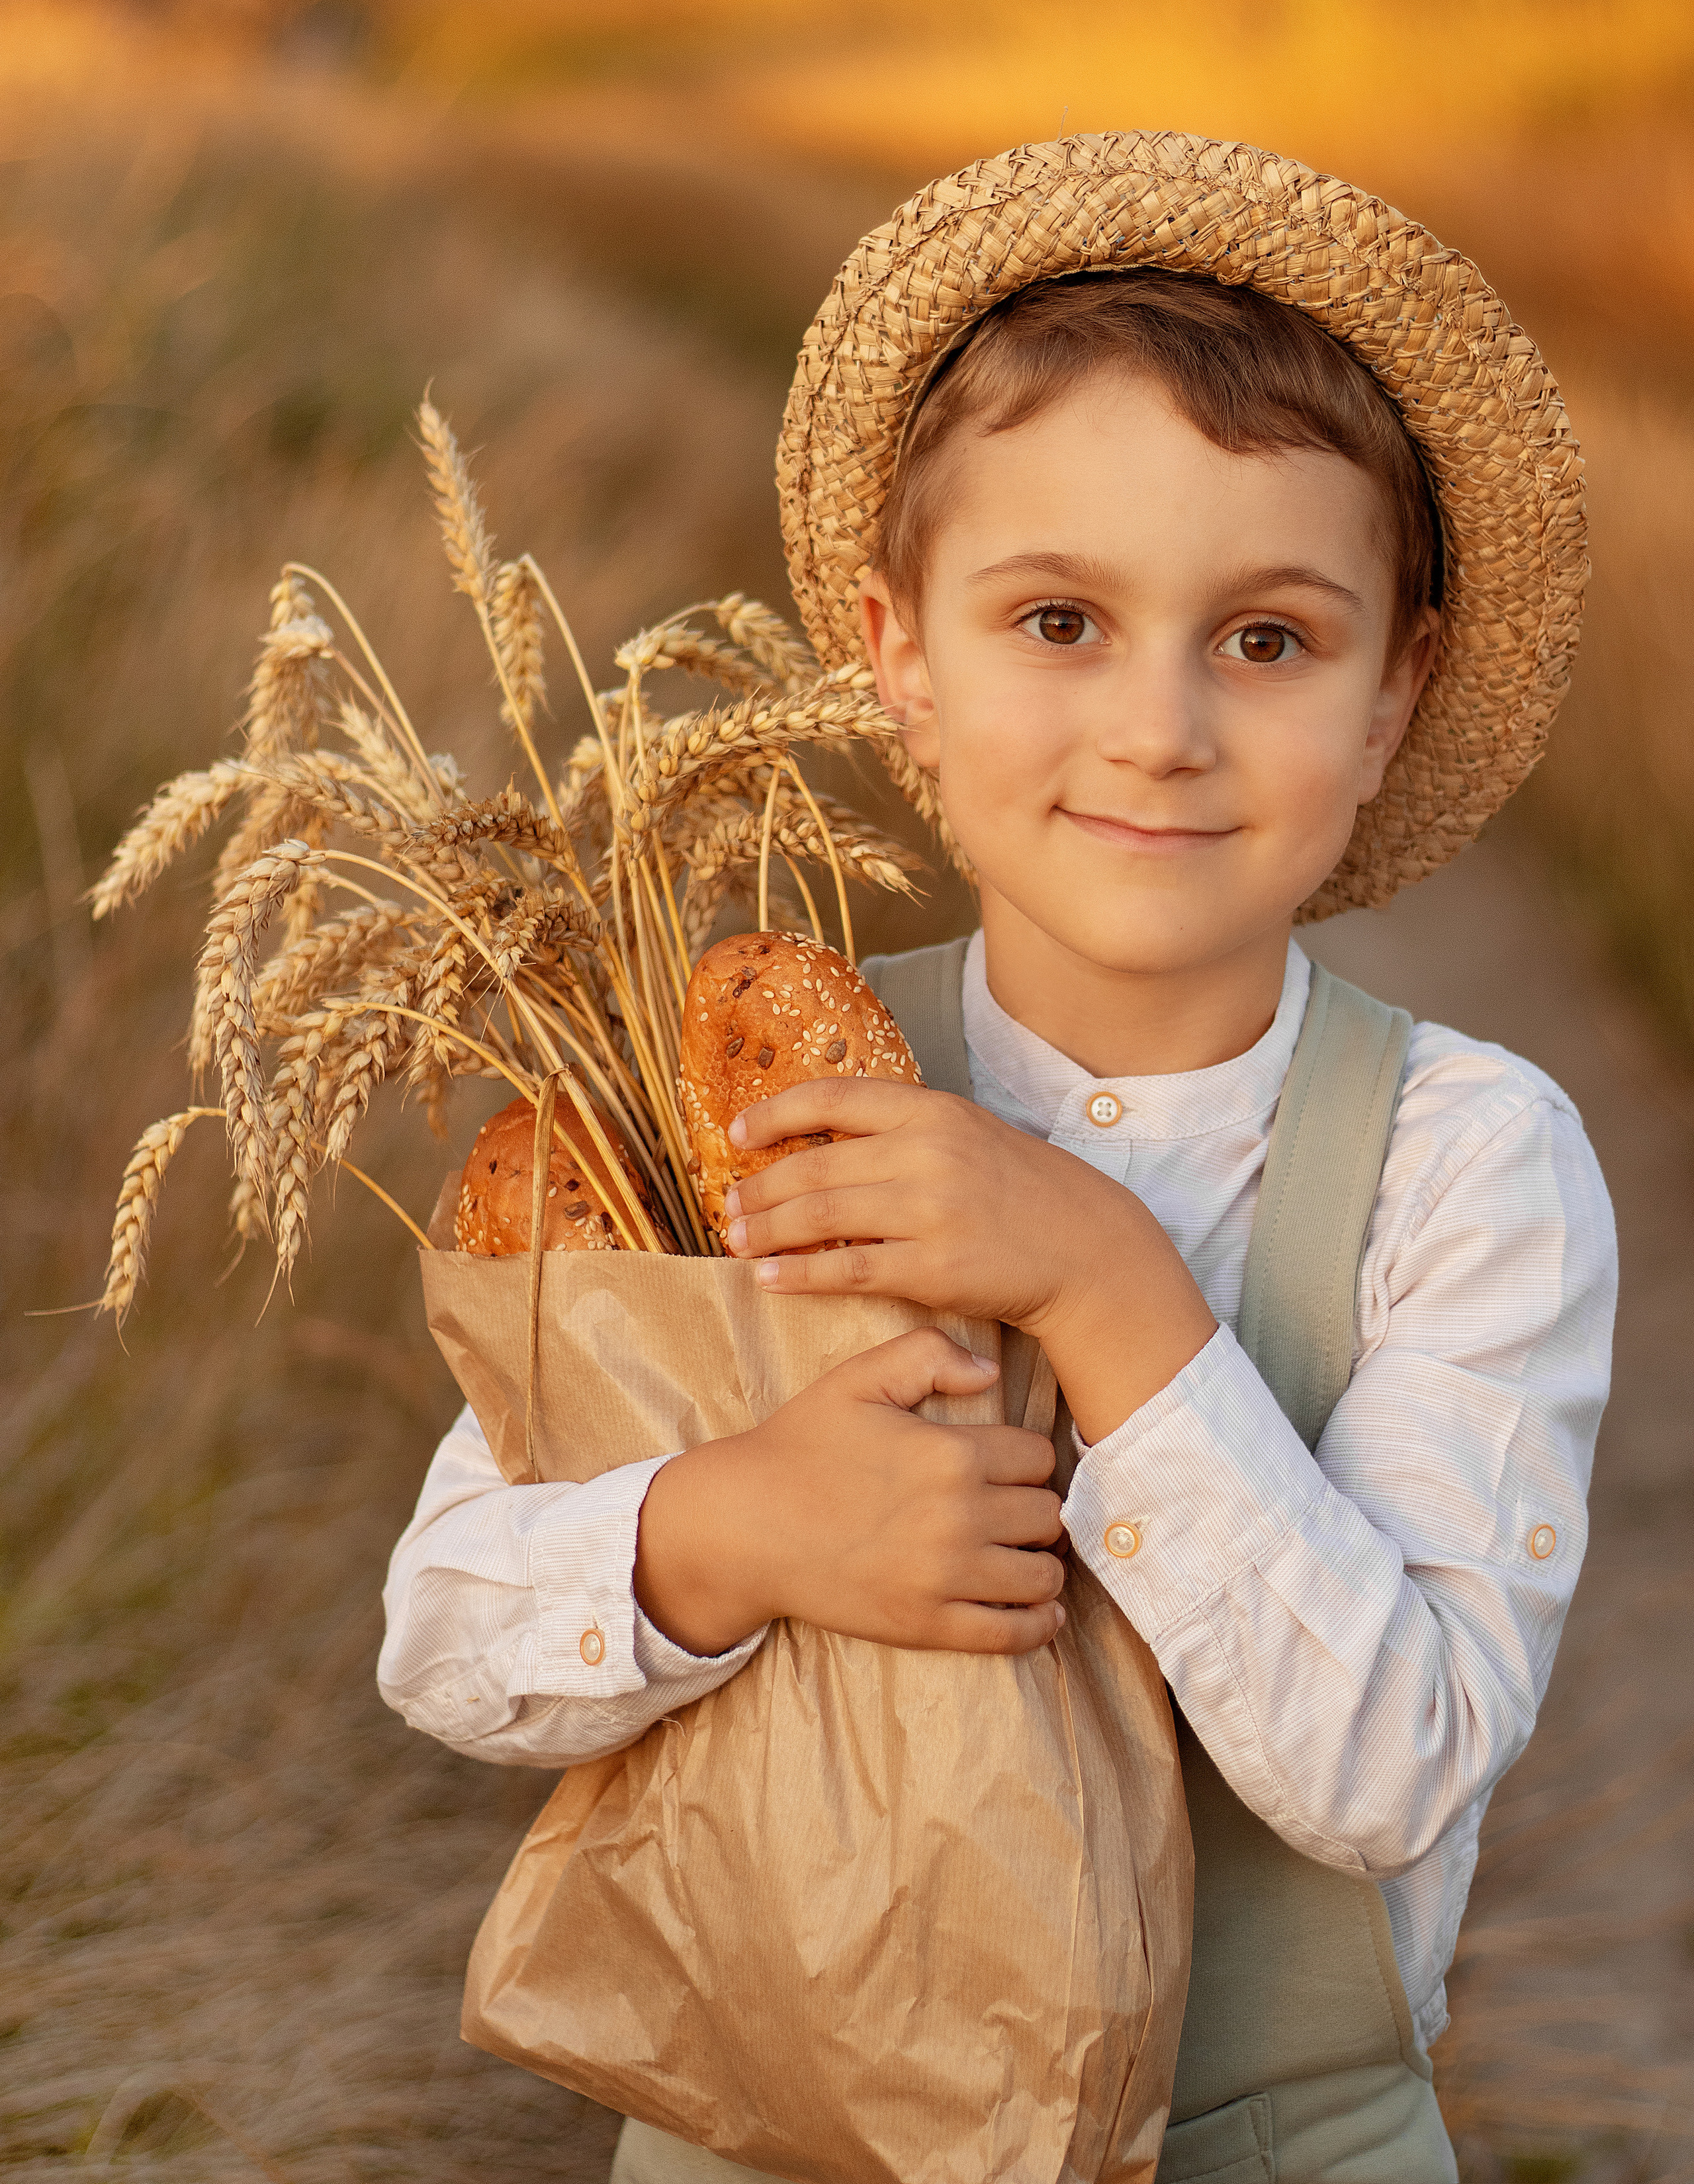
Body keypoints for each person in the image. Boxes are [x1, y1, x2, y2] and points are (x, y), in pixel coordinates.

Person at [380, 134, 1614, 2184]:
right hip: (778, 2133)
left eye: (1270, 641)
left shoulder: (1460, 1164)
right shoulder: (744, 1093)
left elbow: (1393, 1766)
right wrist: (731, 1530)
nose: (1158, 728)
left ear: (1396, 692)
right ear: (901, 658)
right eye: (1058, 618)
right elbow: (442, 1634)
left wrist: (1106, 1289)